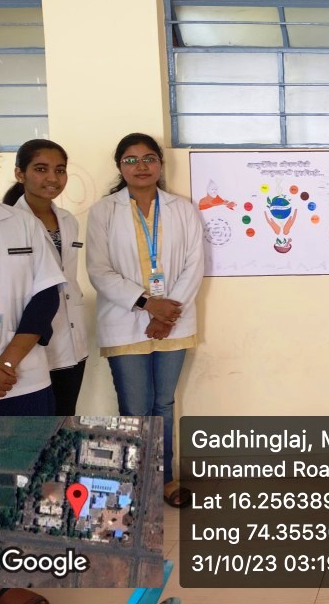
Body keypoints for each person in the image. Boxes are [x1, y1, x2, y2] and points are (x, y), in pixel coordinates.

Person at [86, 133, 203, 508]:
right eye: (131, 160)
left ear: (160, 165)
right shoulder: (103, 211)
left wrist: (166, 314)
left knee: (164, 404)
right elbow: (99, 270)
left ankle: (165, 479)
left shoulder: (183, 208)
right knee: (135, 407)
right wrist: (148, 304)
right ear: (119, 166)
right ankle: (137, 482)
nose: (141, 166)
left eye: (149, 158)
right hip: (124, 321)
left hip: (174, 322)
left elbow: (194, 265)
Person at [0, 129, 63, 604]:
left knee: (21, 482)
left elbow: (45, 296)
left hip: (23, 379)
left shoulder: (20, 223)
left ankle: (12, 580)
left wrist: (4, 363)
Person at [3, 139, 88, 416]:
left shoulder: (69, 220)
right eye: (41, 169)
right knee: (32, 426)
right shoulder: (7, 223)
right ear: (20, 174)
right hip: (29, 342)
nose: (52, 178)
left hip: (72, 338)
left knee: (65, 420)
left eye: (60, 170)